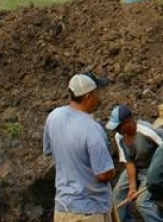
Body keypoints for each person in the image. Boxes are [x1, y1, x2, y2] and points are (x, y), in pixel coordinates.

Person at [43, 72, 116, 222]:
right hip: (88, 211)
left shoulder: (54, 116)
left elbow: (48, 149)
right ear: (88, 97)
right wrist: (112, 171)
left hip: (63, 208)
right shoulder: (92, 129)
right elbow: (103, 174)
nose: (99, 98)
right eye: (97, 93)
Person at [106, 104, 163, 222]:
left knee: (142, 203)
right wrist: (132, 187)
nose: (116, 130)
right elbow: (129, 162)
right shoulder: (119, 137)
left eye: (118, 127)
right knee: (117, 196)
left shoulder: (148, 131)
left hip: (152, 169)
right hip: (137, 167)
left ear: (128, 122)